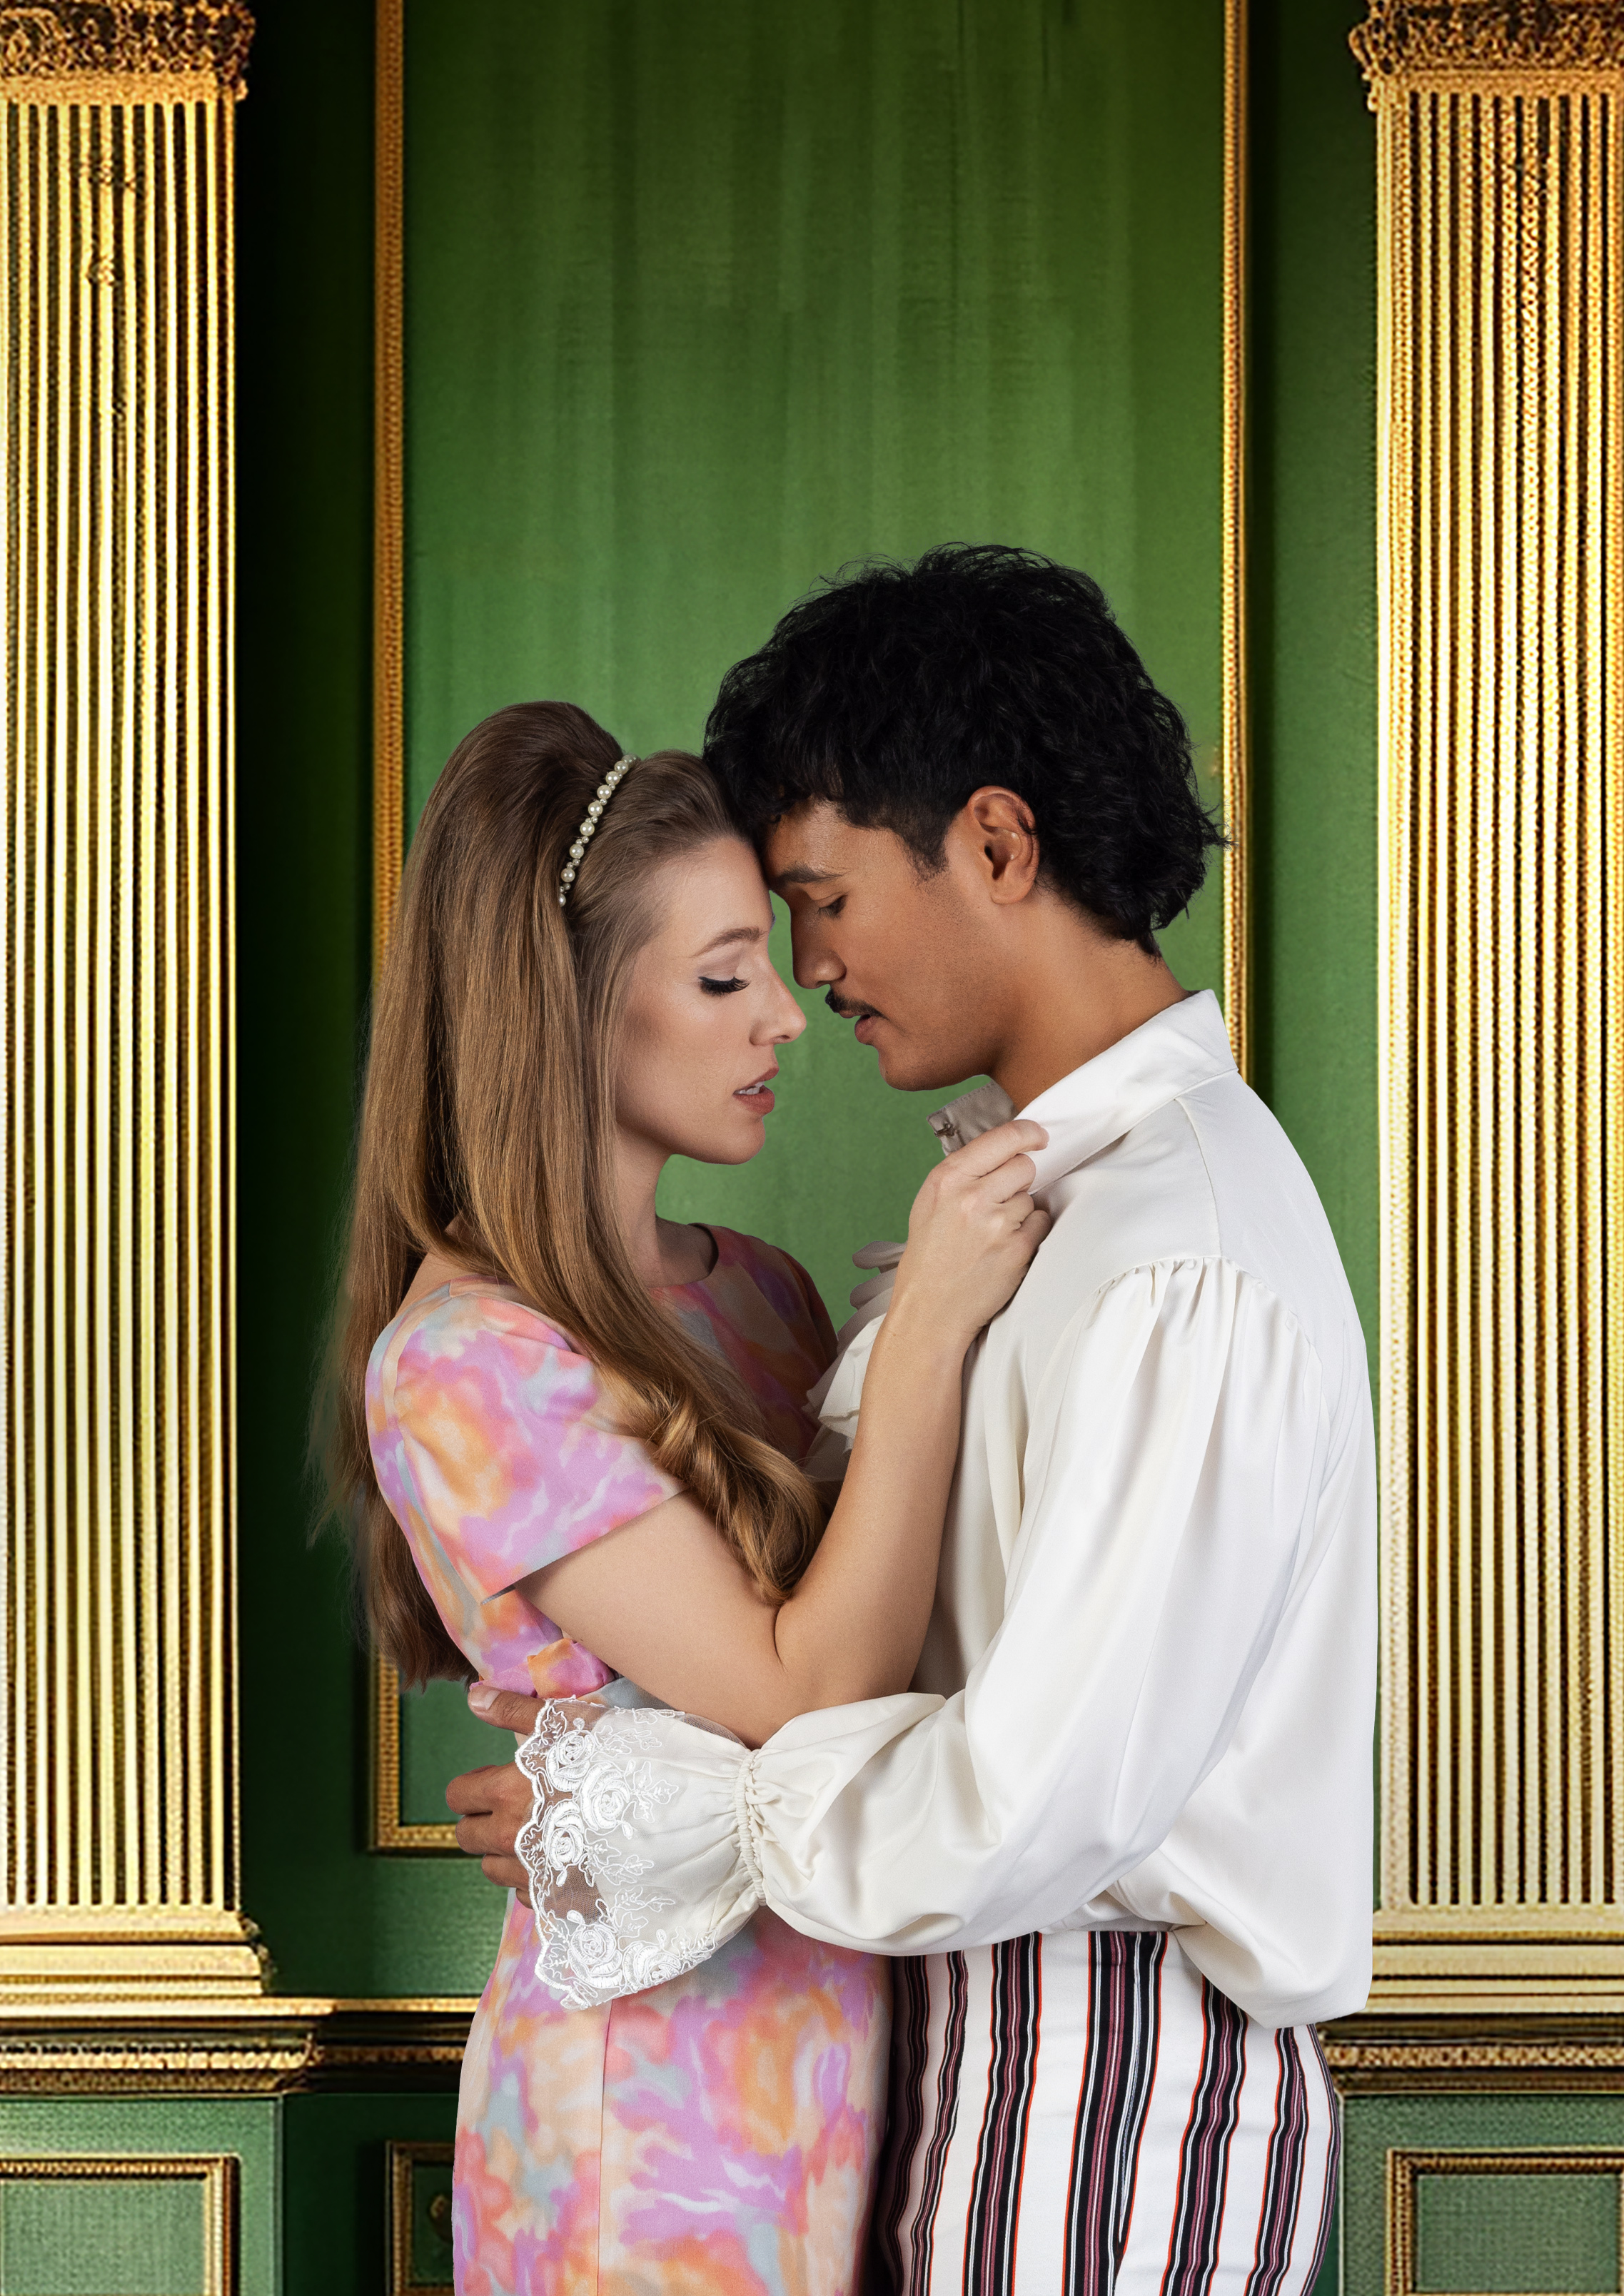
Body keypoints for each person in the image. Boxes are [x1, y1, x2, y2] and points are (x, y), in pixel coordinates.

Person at [450, 549, 1376, 2296]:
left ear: (998, 845)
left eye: (823, 897)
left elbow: (1039, 1791)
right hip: (989, 2065)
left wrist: (667, 1812)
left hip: (1113, 2091)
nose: (808, 968)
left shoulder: (1174, 1254)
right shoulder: (1057, 1206)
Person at [328, 699, 1049, 2295]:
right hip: (640, 2118)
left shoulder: (762, 1297)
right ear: (574, 1008)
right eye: (725, 977)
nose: (787, 1016)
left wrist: (611, 1776)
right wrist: (930, 1324)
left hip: (847, 2067)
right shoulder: (466, 1362)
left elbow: (896, 1646)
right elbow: (804, 1692)